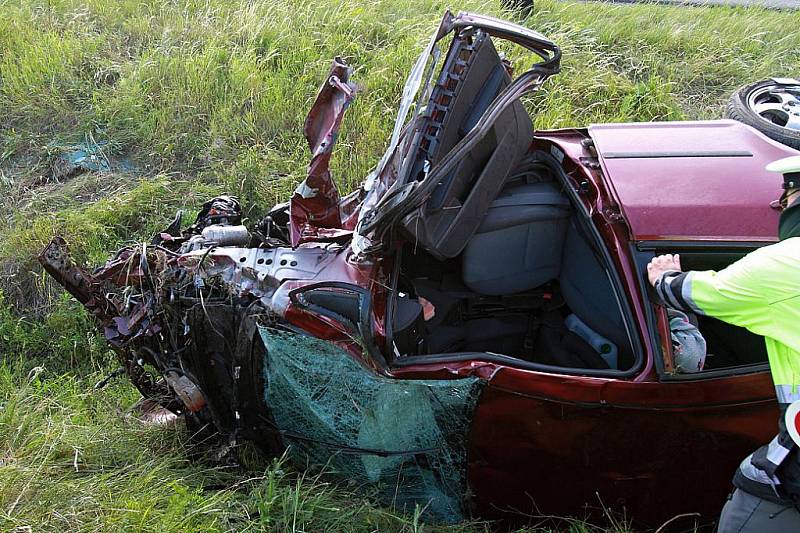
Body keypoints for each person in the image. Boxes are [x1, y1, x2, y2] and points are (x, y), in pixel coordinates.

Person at [646, 155, 800, 532]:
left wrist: (664, 278)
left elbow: (701, 294)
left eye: (786, 198)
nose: (781, 207)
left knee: (757, 493)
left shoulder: (783, 264)